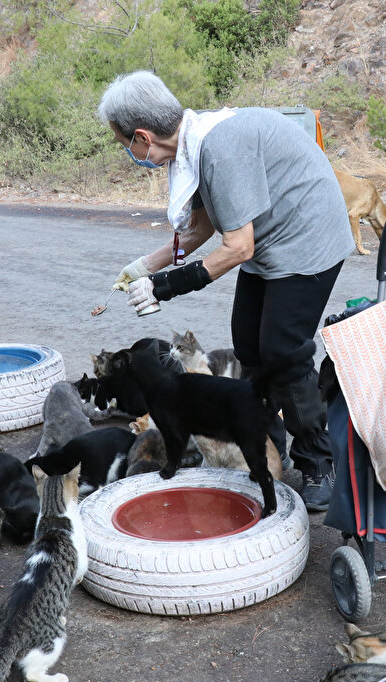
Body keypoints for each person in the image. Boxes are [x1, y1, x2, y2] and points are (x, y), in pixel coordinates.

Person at [98, 70, 354, 511]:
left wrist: (165, 286)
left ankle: (321, 463)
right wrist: (144, 266)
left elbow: (238, 246)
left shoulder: (220, 147)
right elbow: (202, 228)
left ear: (142, 137)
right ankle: (267, 441)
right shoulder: (192, 143)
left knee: (282, 350)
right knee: (247, 342)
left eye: (125, 146)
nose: (129, 154)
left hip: (309, 236)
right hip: (271, 239)